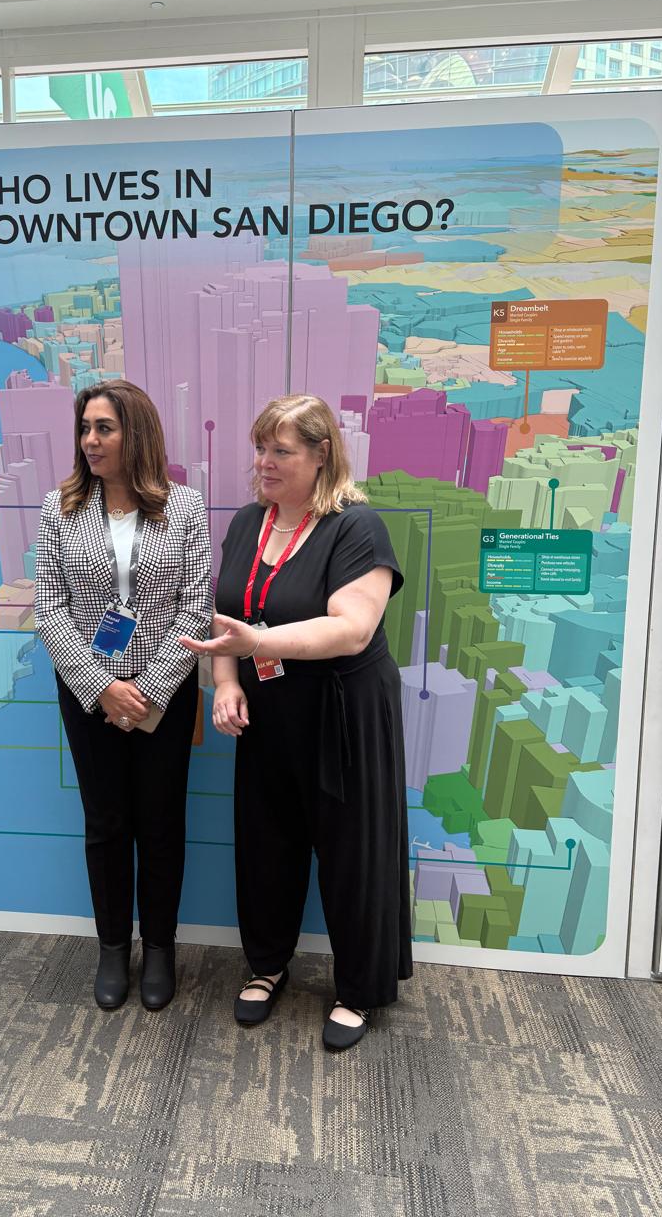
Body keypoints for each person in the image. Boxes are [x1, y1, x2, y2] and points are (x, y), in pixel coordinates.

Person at [181, 394, 411, 1052]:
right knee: (266, 845)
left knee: (351, 852)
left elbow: (352, 628)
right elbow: (226, 615)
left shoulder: (356, 527)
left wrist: (257, 644)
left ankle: (357, 989)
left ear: (321, 455)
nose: (265, 462)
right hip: (268, 713)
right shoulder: (247, 523)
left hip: (343, 714)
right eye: (261, 448)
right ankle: (266, 966)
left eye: (281, 450)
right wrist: (228, 681)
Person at [35, 379, 211, 1013]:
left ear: (136, 433)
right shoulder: (59, 509)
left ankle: (159, 947)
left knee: (161, 823)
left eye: (103, 428)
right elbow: (50, 609)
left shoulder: (184, 508)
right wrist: (103, 687)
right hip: (89, 695)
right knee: (106, 823)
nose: (90, 440)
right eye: (85, 428)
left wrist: (148, 691)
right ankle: (113, 947)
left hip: (166, 693)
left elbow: (195, 608)